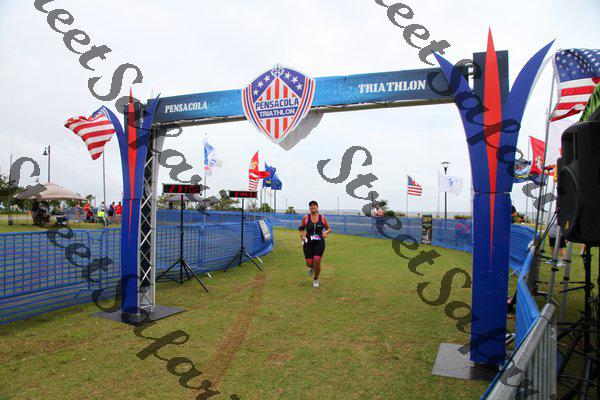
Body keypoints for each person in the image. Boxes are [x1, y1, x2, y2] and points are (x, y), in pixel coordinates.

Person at [299, 201, 331, 288]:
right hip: (308, 243)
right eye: (311, 205)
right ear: (309, 208)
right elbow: (301, 228)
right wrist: (302, 235)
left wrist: (325, 232)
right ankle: (311, 267)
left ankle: (316, 279)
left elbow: (329, 229)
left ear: (317, 207)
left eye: (314, 205)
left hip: (319, 243)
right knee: (309, 263)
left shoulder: (322, 218)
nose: (312, 207)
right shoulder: (305, 218)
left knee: (317, 260)